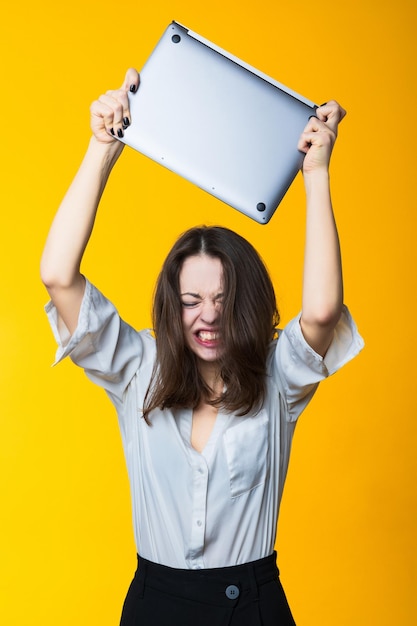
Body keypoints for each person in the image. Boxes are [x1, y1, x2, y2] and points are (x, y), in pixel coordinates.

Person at [40, 68, 364, 625]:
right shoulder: (137, 367)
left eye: (223, 298)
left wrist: (315, 174)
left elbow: (320, 312)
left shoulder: (278, 376)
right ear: (172, 304)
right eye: (191, 300)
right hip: (155, 606)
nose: (208, 316)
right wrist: (101, 151)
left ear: (249, 302)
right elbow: (57, 275)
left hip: (253, 606)